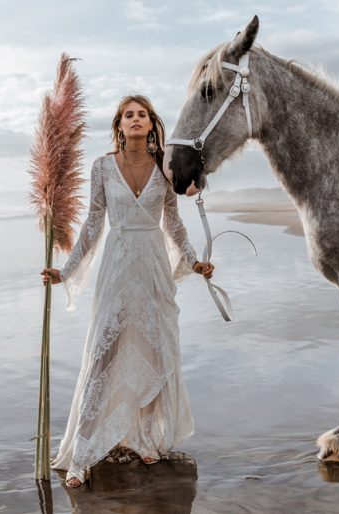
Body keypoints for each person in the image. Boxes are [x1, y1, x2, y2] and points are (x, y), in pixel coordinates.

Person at [41, 94, 214, 488]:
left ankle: (147, 438)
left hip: (154, 269)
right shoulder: (102, 167)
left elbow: (174, 224)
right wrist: (66, 272)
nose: (135, 119)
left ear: (152, 124)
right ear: (119, 125)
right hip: (117, 266)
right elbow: (91, 224)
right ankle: (82, 455)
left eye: (142, 114)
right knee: (105, 351)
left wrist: (194, 261)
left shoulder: (165, 168)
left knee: (156, 348)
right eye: (128, 115)